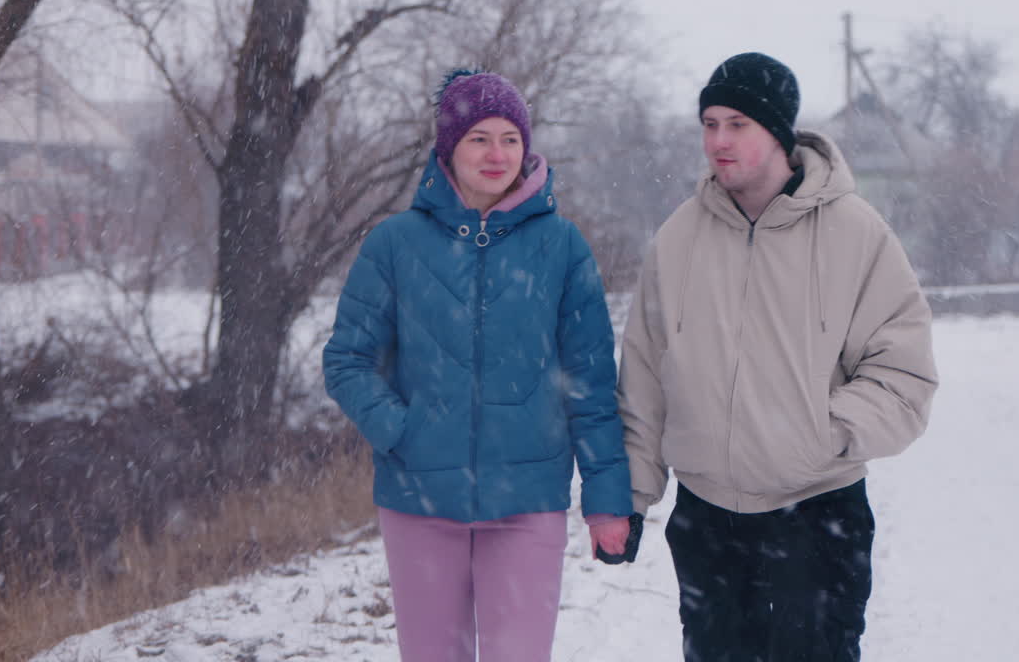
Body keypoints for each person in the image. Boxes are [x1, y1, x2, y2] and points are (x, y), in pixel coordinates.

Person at [617, 52, 939, 661]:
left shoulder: (856, 233)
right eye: (709, 124)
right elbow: (645, 380)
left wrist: (818, 435)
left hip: (818, 513)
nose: (718, 140)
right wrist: (631, 495)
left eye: (737, 124)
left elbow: (903, 374)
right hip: (708, 518)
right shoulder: (678, 238)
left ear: (778, 132)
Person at [322, 69, 632, 662]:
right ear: (448, 149)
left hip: (528, 501)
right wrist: (401, 431)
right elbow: (348, 359)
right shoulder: (394, 243)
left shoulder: (562, 246)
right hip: (419, 499)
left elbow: (590, 384)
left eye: (510, 139)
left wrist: (607, 498)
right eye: (479, 139)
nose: (497, 154)